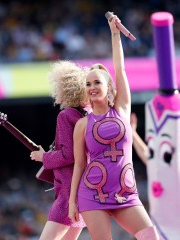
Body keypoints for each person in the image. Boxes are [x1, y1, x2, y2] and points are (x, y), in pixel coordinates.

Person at [68, 14, 160, 240]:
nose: (91, 87)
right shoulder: (82, 124)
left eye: (97, 82)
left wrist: (115, 33)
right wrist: (72, 201)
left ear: (108, 86)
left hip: (126, 193)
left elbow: (121, 69)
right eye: (88, 84)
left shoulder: (121, 109)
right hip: (92, 195)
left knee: (150, 236)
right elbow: (79, 164)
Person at [30, 60, 89, 240]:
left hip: (68, 195)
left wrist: (44, 157)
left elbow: (68, 155)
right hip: (84, 192)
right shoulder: (85, 116)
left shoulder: (66, 115)